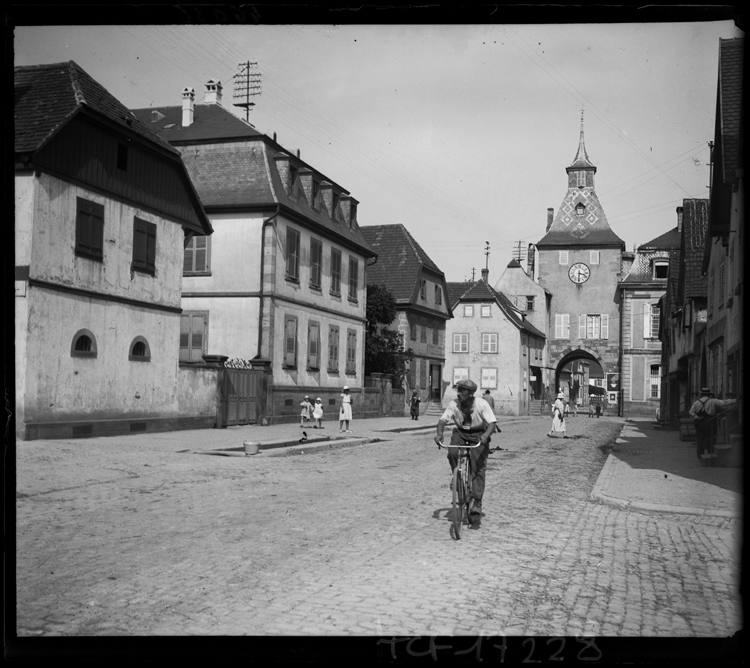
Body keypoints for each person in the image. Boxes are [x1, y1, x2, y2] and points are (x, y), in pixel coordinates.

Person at [434, 379, 497, 527]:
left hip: (478, 434)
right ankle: (456, 478)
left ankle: (476, 501)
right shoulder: (454, 404)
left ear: (470, 393)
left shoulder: (481, 404)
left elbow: (492, 423)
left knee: (478, 468)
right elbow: (443, 420)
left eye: (463, 391)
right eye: (458, 390)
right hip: (460, 433)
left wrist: (485, 436)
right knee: (452, 452)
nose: (459, 393)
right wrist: (439, 434)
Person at [689, 388, 739, 461]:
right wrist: (736, 400)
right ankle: (710, 454)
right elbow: (724, 402)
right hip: (710, 423)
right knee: (711, 439)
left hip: (699, 423)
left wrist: (697, 417)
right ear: (709, 394)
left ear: (702, 394)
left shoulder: (696, 402)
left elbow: (691, 412)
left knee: (700, 439)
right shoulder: (713, 401)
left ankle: (700, 456)